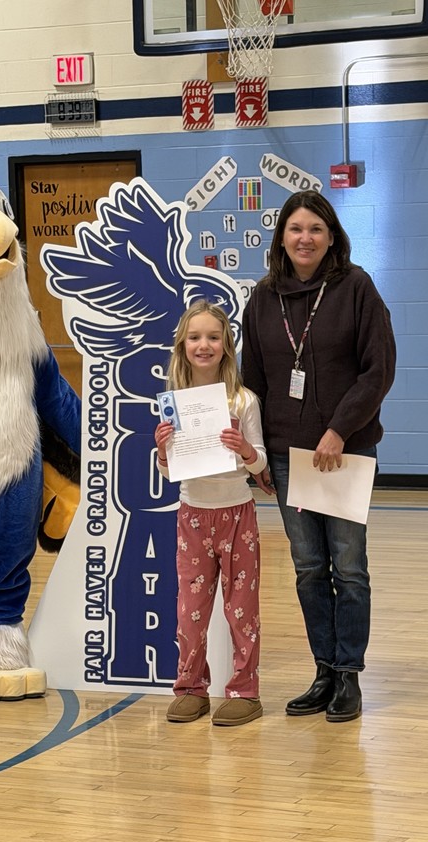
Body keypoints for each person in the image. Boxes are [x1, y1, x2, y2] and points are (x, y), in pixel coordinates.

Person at [241, 190, 396, 723]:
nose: (304, 238)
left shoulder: (356, 289)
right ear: (281, 238)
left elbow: (377, 372)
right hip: (288, 456)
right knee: (309, 567)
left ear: (332, 237)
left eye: (315, 229)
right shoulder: (262, 299)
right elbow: (252, 384)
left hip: (345, 451)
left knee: (349, 566)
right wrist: (258, 457)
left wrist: (337, 429)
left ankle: (349, 674)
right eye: (295, 229)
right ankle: (323, 670)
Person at [155, 300, 267, 726]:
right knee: (191, 609)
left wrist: (246, 450)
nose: (204, 345)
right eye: (196, 337)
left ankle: (244, 690)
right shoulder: (173, 404)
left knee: (242, 608)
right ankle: (190, 688)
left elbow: (260, 469)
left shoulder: (243, 400)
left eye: (214, 337)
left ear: (227, 345)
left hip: (238, 513)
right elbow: (168, 472)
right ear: (183, 344)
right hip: (193, 515)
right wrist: (163, 450)